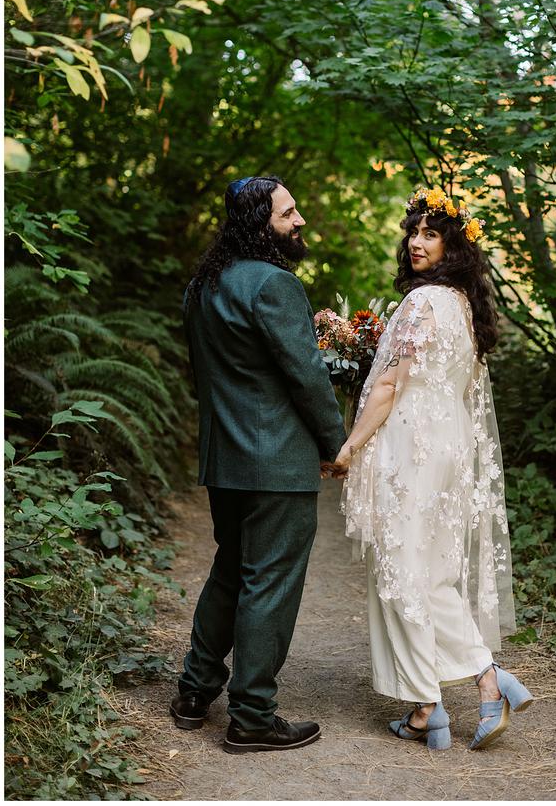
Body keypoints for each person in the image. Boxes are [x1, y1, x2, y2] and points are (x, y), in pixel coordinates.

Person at [325, 188, 525, 751]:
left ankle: (470, 686)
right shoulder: (463, 307)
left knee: (401, 570)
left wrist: (349, 447)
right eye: (413, 232)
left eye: (430, 234)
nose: (415, 241)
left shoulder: (421, 304)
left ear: (453, 246)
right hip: (450, 446)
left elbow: (390, 385)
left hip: (411, 444)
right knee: (427, 572)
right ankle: (435, 704)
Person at [171, 175, 345, 753]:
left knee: (231, 571)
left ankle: (195, 693)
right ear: (258, 222)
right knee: (268, 583)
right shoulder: (274, 285)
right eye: (288, 213)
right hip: (276, 463)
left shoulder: (202, 286)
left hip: (225, 459)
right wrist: (335, 443)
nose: (299, 221)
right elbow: (307, 376)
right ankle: (251, 716)